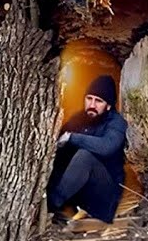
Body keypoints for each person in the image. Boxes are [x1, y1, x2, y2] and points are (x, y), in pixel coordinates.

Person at [46, 74, 128, 223]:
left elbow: (107, 147)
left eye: (98, 101)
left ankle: (50, 205)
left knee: (85, 157)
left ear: (108, 106)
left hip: (104, 196)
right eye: (89, 98)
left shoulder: (117, 123)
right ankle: (57, 205)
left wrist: (73, 138)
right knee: (60, 156)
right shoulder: (78, 120)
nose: (92, 105)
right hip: (79, 194)